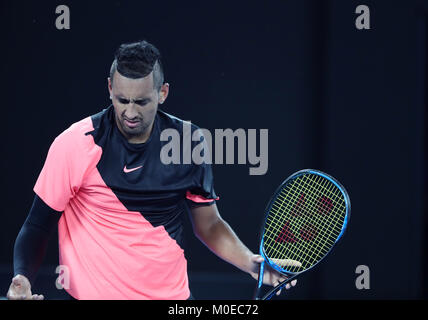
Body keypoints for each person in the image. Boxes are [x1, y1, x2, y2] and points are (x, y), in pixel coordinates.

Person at [6, 40, 299, 300]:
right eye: (122, 100)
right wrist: (22, 278)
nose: (130, 112)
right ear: (109, 88)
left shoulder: (189, 142)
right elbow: (37, 225)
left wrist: (250, 262)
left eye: (142, 101)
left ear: (162, 93)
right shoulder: (76, 143)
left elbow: (208, 224)